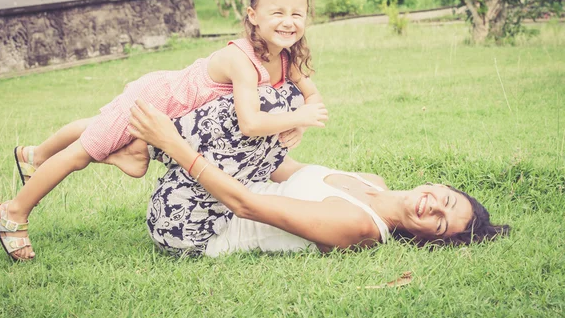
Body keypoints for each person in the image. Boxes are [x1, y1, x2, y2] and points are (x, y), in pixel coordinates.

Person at [0, 0, 328, 261]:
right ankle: (14, 211)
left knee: (110, 138)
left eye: (297, 14)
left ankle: (35, 155)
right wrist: (298, 117)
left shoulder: (287, 54)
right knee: (82, 154)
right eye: (277, 13)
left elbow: (312, 96)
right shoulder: (241, 60)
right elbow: (251, 123)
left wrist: (300, 123)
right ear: (253, 16)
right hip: (155, 101)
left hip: (176, 119)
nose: (288, 22)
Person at [129, 97, 510, 257]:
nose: (434, 209)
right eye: (446, 201)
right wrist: (285, 133)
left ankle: (141, 145)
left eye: (440, 224)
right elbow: (286, 170)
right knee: (274, 105)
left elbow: (246, 205)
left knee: (260, 109)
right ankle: (127, 144)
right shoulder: (370, 181)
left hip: (190, 229)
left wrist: (175, 144)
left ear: (427, 239)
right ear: (440, 187)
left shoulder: (357, 223)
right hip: (214, 197)